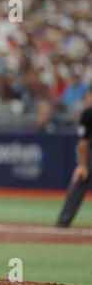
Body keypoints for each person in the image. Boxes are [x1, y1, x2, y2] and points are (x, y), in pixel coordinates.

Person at [56, 91, 92, 227]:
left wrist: (82, 165)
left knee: (78, 184)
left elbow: (83, 141)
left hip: (90, 155)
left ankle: (62, 223)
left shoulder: (88, 113)